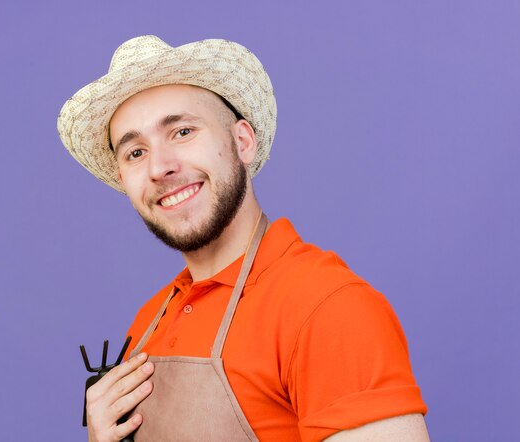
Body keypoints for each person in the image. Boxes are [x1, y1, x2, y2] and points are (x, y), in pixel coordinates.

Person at [57, 35, 429, 442]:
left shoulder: (327, 307)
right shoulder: (150, 320)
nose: (160, 167)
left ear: (242, 141)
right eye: (135, 153)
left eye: (182, 131)